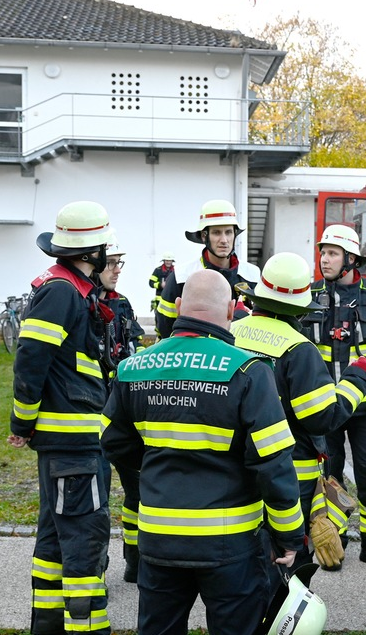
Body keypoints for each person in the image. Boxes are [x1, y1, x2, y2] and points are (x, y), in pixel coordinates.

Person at [101, 269, 304, 635]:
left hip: (158, 536)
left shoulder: (132, 369)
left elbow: (112, 440)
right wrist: (289, 536)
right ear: (231, 310)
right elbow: (273, 464)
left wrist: (157, 466)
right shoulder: (249, 371)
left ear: (179, 306)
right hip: (230, 542)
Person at [9, 201, 116, 635]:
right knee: (83, 547)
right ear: (92, 252)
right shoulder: (62, 292)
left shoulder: (73, 289)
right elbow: (30, 358)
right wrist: (22, 423)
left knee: (54, 543)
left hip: (70, 444)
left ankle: (49, 627)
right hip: (73, 444)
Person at [230, 252, 366, 570]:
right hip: (290, 477)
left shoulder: (231, 332)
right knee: (288, 562)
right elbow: (322, 418)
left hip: (234, 469)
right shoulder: (299, 349)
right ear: (300, 309)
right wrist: (358, 376)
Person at [300, 224, 366, 573]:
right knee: (327, 473)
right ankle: (333, 537)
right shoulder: (309, 294)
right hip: (324, 406)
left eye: (332, 253)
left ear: (350, 259)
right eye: (323, 252)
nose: (324, 259)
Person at [96, 231, 147, 584]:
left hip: (123, 416)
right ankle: (93, 570)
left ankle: (136, 561)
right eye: (111, 263)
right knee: (95, 501)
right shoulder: (79, 304)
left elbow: (132, 351)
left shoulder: (122, 305)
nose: (117, 270)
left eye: (119, 263)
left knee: (137, 491)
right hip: (90, 418)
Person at [155, 199, 259, 338]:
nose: (224, 240)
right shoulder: (182, 277)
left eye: (228, 232)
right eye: (216, 233)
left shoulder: (252, 275)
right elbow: (165, 327)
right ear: (204, 236)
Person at [148, 251, 175, 317]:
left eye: (170, 260)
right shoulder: (157, 270)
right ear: (163, 261)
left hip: (171, 299)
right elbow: (151, 283)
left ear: (172, 261)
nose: (168, 262)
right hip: (159, 299)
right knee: (159, 317)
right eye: (167, 260)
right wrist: (160, 285)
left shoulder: (176, 270)